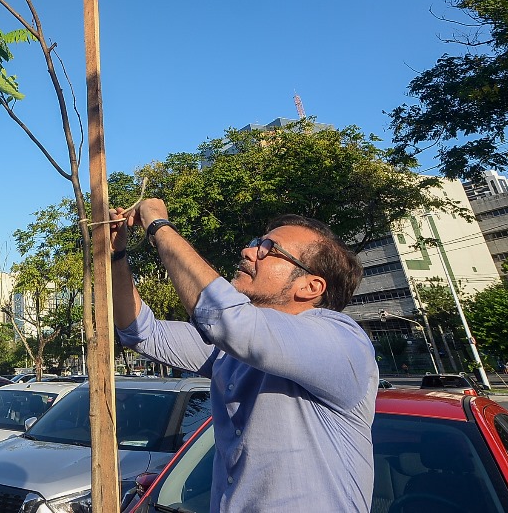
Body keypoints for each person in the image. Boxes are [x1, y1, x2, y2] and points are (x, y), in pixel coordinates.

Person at [111, 198, 377, 513]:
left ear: (310, 287)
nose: (249, 252)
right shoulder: (235, 350)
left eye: (269, 249)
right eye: (255, 244)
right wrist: (116, 254)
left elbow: (230, 321)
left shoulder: (342, 341)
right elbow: (142, 333)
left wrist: (158, 226)